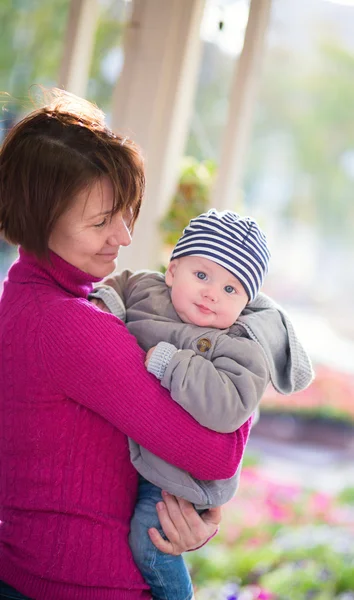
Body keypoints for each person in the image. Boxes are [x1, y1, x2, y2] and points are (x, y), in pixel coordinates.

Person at [0, 90, 254, 600]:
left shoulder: (24, 299)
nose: (123, 235)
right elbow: (218, 453)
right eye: (100, 222)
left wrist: (197, 512)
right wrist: (248, 366)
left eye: (125, 212)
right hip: (82, 583)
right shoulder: (69, 327)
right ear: (38, 219)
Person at [91, 209, 314, 600]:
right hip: (133, 451)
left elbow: (229, 407)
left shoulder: (241, 346)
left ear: (245, 303)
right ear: (173, 270)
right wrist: (106, 307)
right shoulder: (145, 287)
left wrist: (174, 364)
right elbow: (116, 286)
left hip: (178, 482)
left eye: (231, 290)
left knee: (150, 541)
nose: (212, 293)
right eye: (202, 275)